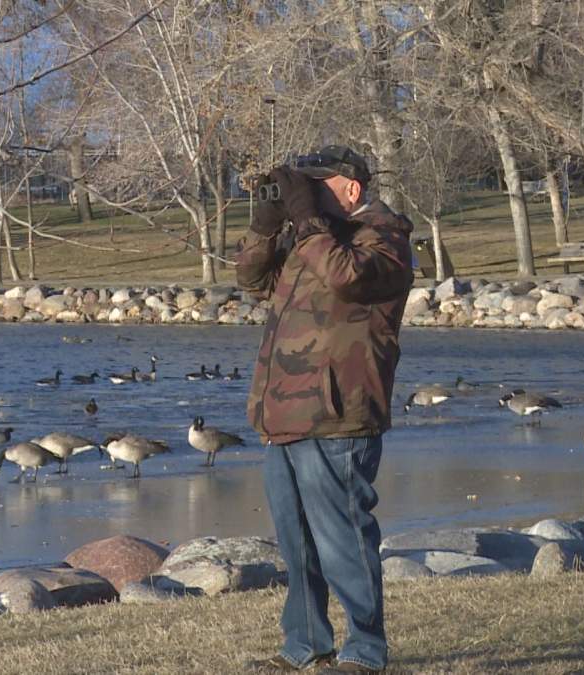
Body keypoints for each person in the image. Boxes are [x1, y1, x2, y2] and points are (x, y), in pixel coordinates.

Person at [237, 145, 414, 674]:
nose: (306, 197)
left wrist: (308, 218)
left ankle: (365, 653)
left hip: (339, 415)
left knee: (344, 536)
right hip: (286, 416)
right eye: (302, 188)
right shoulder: (309, 241)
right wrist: (269, 221)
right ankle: (305, 644)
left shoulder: (384, 240)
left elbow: (345, 278)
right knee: (298, 545)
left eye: (317, 186)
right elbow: (250, 280)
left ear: (352, 190)